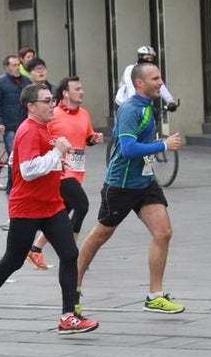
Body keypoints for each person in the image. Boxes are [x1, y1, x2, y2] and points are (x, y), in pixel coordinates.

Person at [0, 83, 100, 336]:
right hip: (27, 207)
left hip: (51, 205)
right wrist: (57, 153)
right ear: (31, 106)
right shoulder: (29, 129)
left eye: (52, 99)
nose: (53, 104)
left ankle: (68, 317)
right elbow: (28, 170)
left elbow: (16, 160)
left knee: (69, 254)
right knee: (13, 261)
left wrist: (56, 164)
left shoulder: (43, 127)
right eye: (47, 101)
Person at [77, 62, 184, 314]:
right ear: (139, 83)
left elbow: (121, 133)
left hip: (145, 182)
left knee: (163, 232)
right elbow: (127, 149)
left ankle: (154, 296)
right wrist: (163, 145)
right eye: (155, 78)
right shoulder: (131, 109)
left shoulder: (147, 107)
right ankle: (73, 287)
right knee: (100, 235)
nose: (161, 82)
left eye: (160, 77)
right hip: (121, 185)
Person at [26, 76, 102, 270]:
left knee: (63, 210)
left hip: (77, 171)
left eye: (81, 88)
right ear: (66, 93)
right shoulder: (54, 115)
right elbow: (42, 138)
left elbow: (87, 138)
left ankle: (35, 248)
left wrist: (94, 139)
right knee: (82, 206)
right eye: (77, 89)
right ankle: (72, 255)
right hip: (60, 172)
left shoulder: (84, 114)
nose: (81, 92)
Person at [0, 54, 29, 218]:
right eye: (13, 65)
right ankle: (11, 192)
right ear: (6, 67)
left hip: (24, 125)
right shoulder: (0, 83)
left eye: (18, 65)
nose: (16, 68)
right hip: (10, 126)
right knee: (15, 159)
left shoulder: (26, 81)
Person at [114, 46, 177, 110]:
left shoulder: (151, 71)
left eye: (151, 59)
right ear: (140, 57)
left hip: (141, 103)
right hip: (124, 102)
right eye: (147, 58)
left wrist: (170, 101)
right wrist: (134, 102)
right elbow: (131, 86)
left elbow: (160, 85)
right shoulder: (130, 69)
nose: (149, 61)